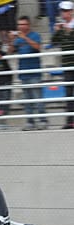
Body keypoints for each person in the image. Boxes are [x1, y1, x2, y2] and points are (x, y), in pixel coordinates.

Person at [8, 16, 47, 130]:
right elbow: (10, 52)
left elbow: (38, 47)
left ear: (28, 25)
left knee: (37, 98)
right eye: (19, 25)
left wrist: (24, 38)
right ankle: (30, 122)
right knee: (27, 99)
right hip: (23, 72)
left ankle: (43, 121)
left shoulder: (35, 35)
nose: (21, 27)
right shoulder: (17, 39)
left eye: (23, 24)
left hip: (35, 72)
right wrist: (11, 40)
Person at [52, 1, 74, 129]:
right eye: (62, 11)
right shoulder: (60, 27)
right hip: (67, 66)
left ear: (71, 11)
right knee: (69, 94)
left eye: (66, 11)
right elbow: (53, 42)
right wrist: (57, 31)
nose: (64, 13)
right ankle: (70, 121)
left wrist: (69, 31)